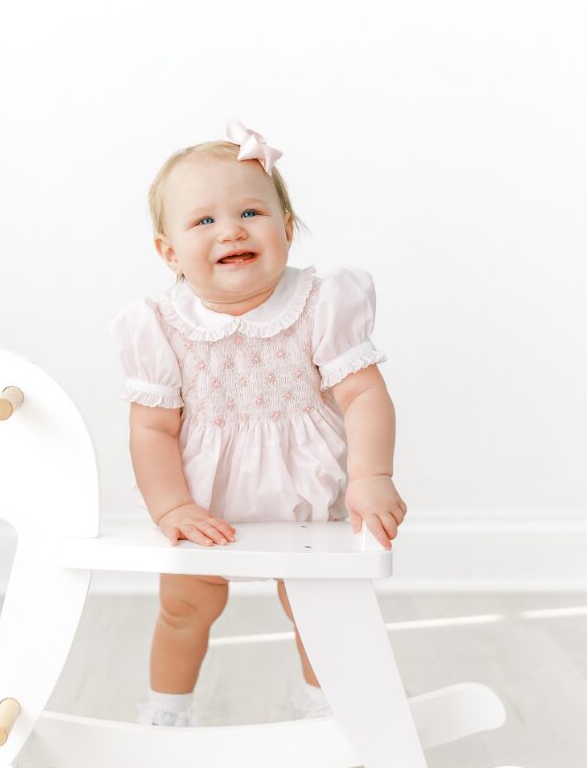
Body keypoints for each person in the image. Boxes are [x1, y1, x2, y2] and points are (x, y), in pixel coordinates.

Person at [110, 121, 408, 726]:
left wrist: (370, 475)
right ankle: (168, 710)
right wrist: (173, 510)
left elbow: (364, 395)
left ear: (287, 230)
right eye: (204, 222)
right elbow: (152, 432)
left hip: (311, 502)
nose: (232, 231)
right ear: (169, 252)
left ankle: (322, 706)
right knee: (184, 607)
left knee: (319, 608)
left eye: (251, 211)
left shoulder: (322, 304)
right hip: (205, 511)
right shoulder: (159, 326)